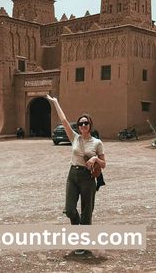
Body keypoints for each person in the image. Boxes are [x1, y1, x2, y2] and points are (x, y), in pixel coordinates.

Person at [46, 95, 106, 230]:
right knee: (69, 210)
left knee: (86, 211)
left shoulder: (97, 143)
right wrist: (55, 102)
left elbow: (103, 164)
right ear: (78, 127)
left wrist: (95, 158)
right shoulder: (74, 138)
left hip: (88, 177)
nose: (83, 125)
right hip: (73, 175)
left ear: (90, 125)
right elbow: (64, 120)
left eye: (86, 123)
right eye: (81, 123)